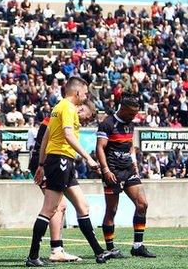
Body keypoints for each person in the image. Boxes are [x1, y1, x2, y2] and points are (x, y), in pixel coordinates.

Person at [26, 77, 111, 266]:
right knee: (49, 209)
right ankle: (33, 256)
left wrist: (40, 165)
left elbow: (46, 137)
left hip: (62, 161)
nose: (87, 95)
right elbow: (68, 134)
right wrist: (88, 158)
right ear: (77, 92)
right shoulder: (68, 108)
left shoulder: (58, 108)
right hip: (60, 160)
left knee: (83, 206)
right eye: (86, 92)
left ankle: (98, 252)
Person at [28, 101, 97, 263]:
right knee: (56, 206)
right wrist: (41, 165)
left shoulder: (62, 113)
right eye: (86, 117)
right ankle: (55, 250)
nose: (83, 122)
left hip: (53, 161)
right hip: (49, 161)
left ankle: (60, 249)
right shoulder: (63, 113)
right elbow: (44, 141)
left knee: (79, 205)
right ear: (81, 107)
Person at [96, 94, 156, 258]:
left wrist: (134, 162)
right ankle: (111, 248)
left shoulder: (130, 125)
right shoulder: (107, 124)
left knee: (142, 204)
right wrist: (106, 170)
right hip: (112, 172)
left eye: (135, 113)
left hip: (128, 170)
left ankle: (138, 246)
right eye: (131, 113)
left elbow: (130, 145)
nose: (133, 116)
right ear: (122, 109)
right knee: (112, 210)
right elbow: (100, 148)